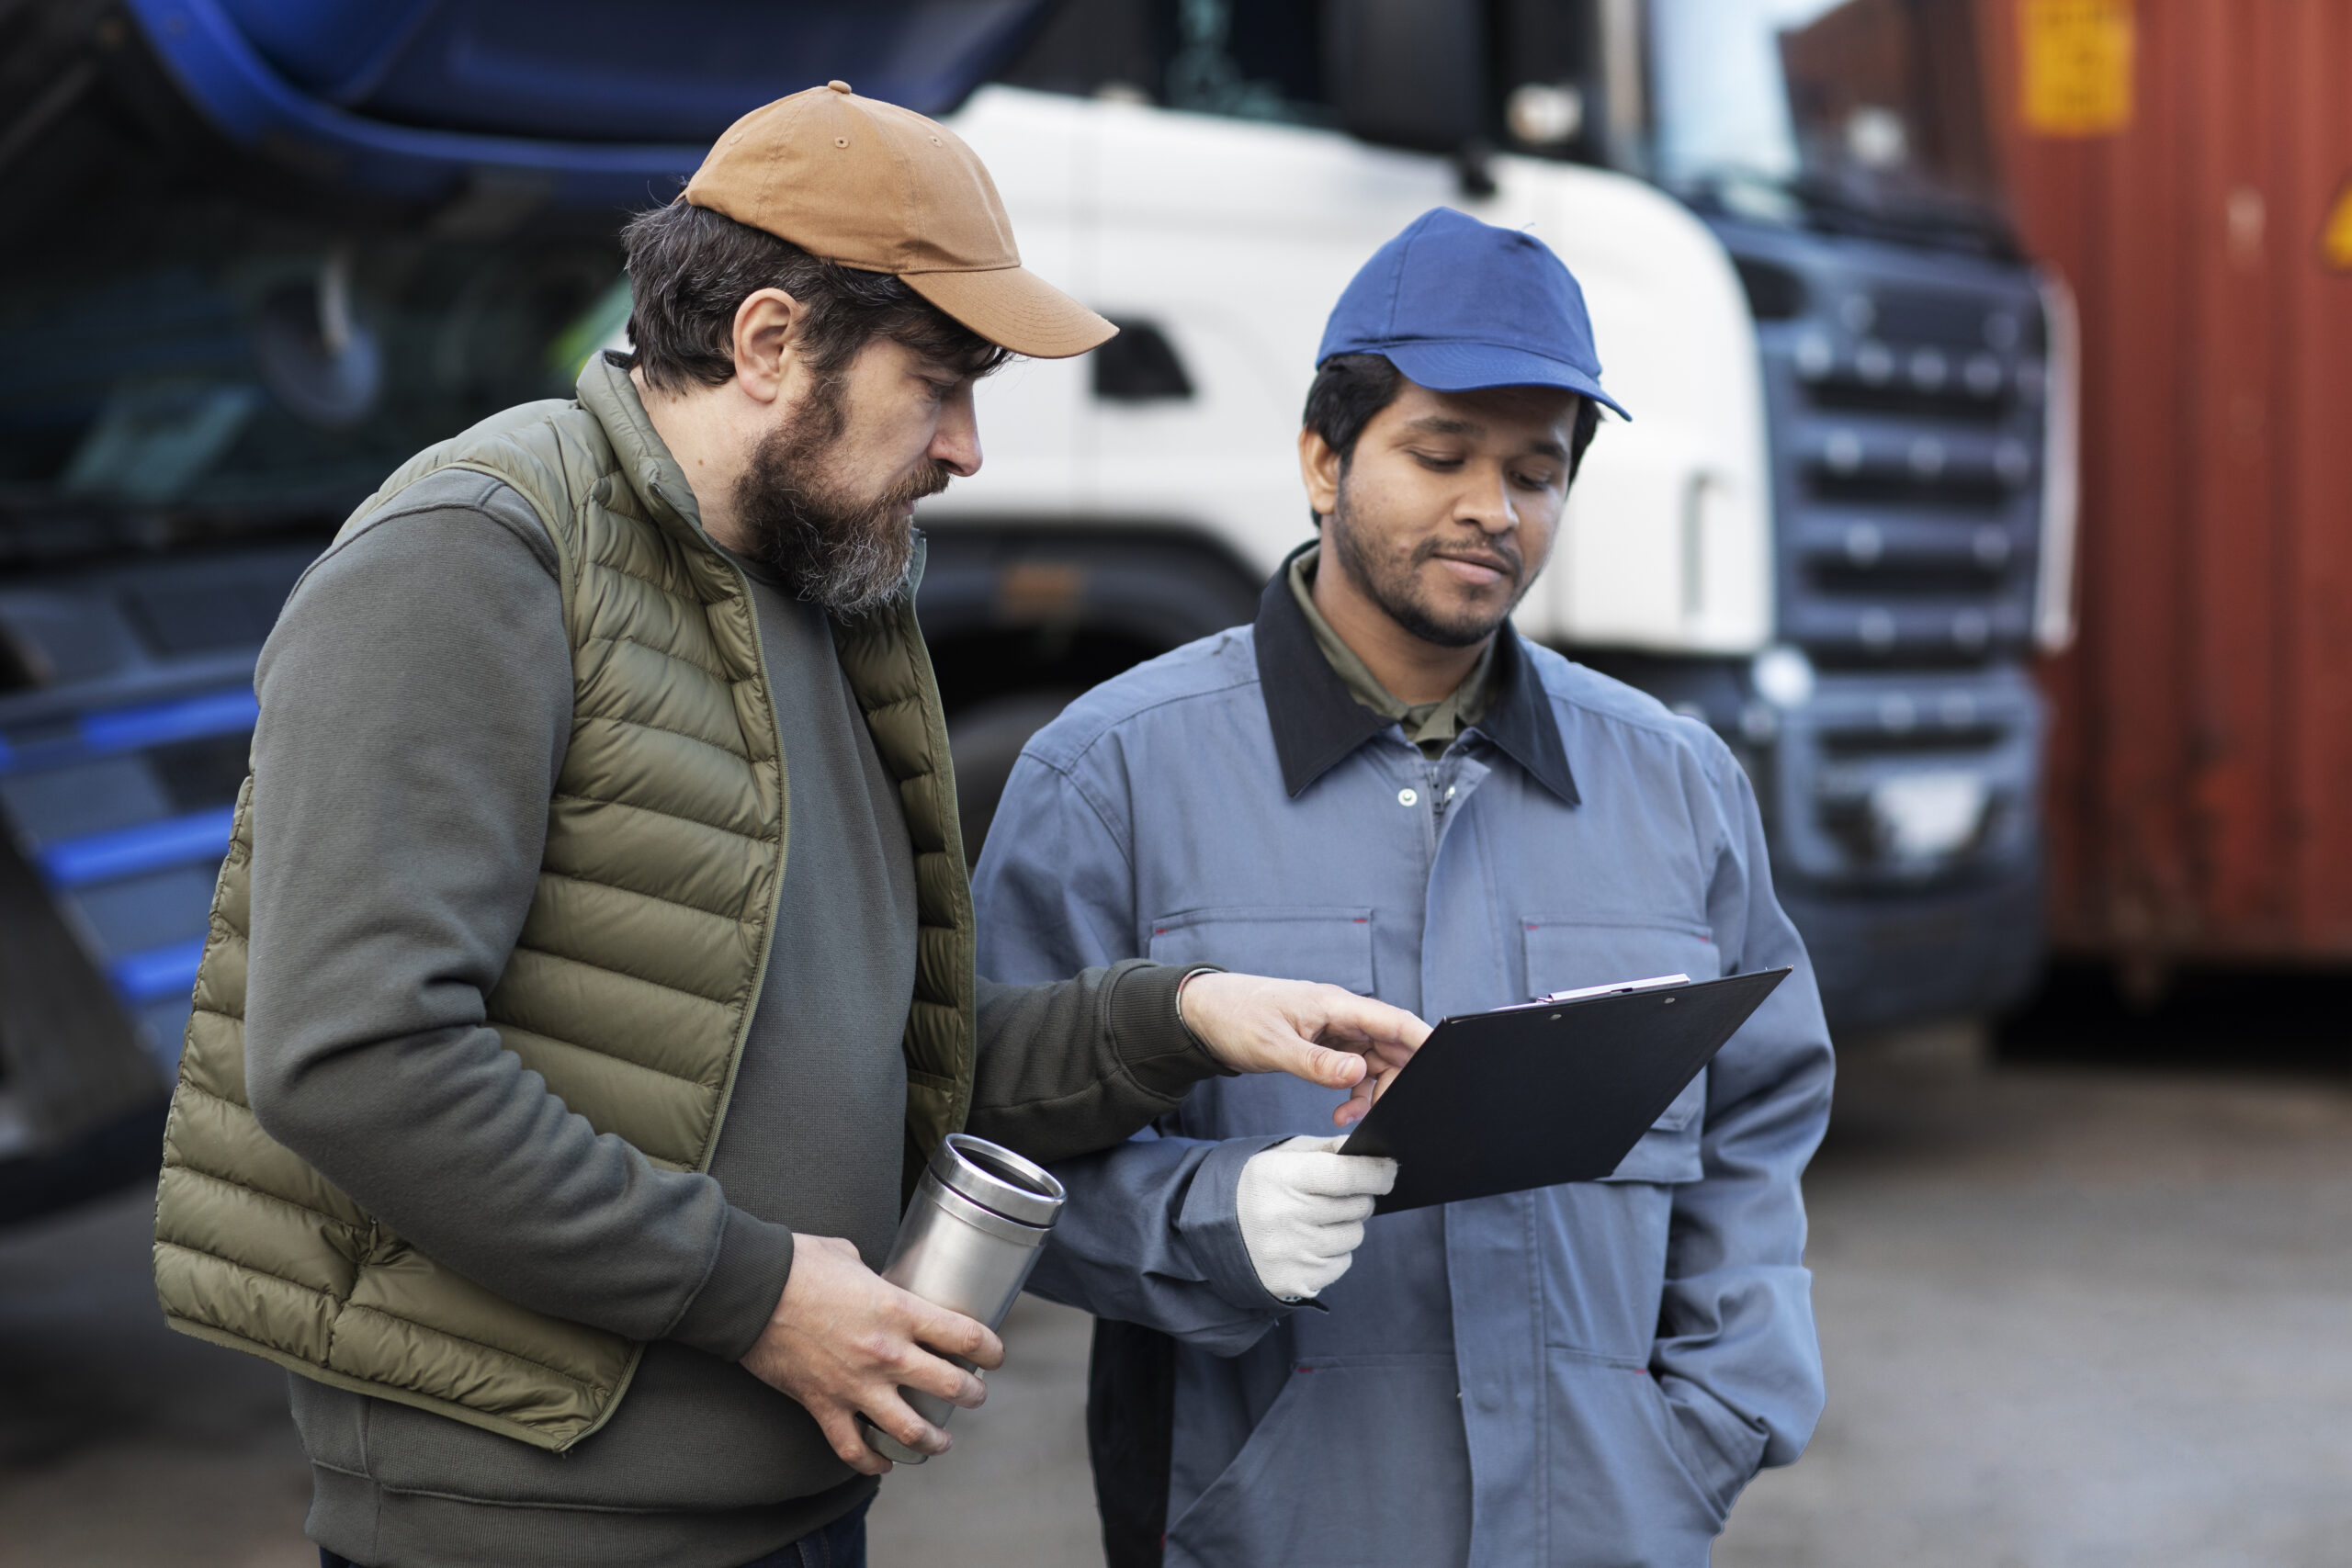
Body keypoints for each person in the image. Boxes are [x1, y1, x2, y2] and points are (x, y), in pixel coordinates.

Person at [148, 84, 1427, 1568]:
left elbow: (878, 1057)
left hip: (791, 1514)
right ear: (769, 342)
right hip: (533, 1535)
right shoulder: (472, 558)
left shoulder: (821, 595)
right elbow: (356, 1060)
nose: (967, 448)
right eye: (941, 379)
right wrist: (752, 1294)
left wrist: (1186, 1017)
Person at [972, 208, 1836, 1568]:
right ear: (1323, 457)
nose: (1492, 508)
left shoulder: (1678, 783)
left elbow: (1757, 1128)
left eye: (1535, 472)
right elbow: (992, 1150)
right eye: (1440, 455)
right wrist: (1209, 1217)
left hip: (1610, 1524)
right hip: (1266, 1528)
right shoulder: (1112, 776)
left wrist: (1718, 1419)